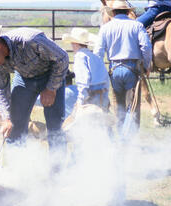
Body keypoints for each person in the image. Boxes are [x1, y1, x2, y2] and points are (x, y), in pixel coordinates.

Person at [0, 26, 69, 159]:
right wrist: (6, 118)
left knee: (55, 125)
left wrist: (51, 88)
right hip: (24, 79)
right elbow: (1, 88)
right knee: (13, 126)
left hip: (50, 75)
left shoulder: (31, 41)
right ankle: (16, 169)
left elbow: (62, 58)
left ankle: (58, 171)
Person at [94, 1, 152, 132]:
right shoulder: (137, 25)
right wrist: (146, 65)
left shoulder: (105, 28)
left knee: (119, 106)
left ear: (113, 12)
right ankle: (127, 141)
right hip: (132, 69)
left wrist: (99, 73)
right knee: (132, 107)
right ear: (127, 12)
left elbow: (98, 52)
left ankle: (120, 137)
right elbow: (146, 47)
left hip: (114, 70)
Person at [62, 28, 110, 110]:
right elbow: (106, 78)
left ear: (75, 43)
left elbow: (83, 81)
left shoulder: (80, 57)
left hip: (90, 98)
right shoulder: (94, 57)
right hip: (103, 95)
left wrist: (80, 102)